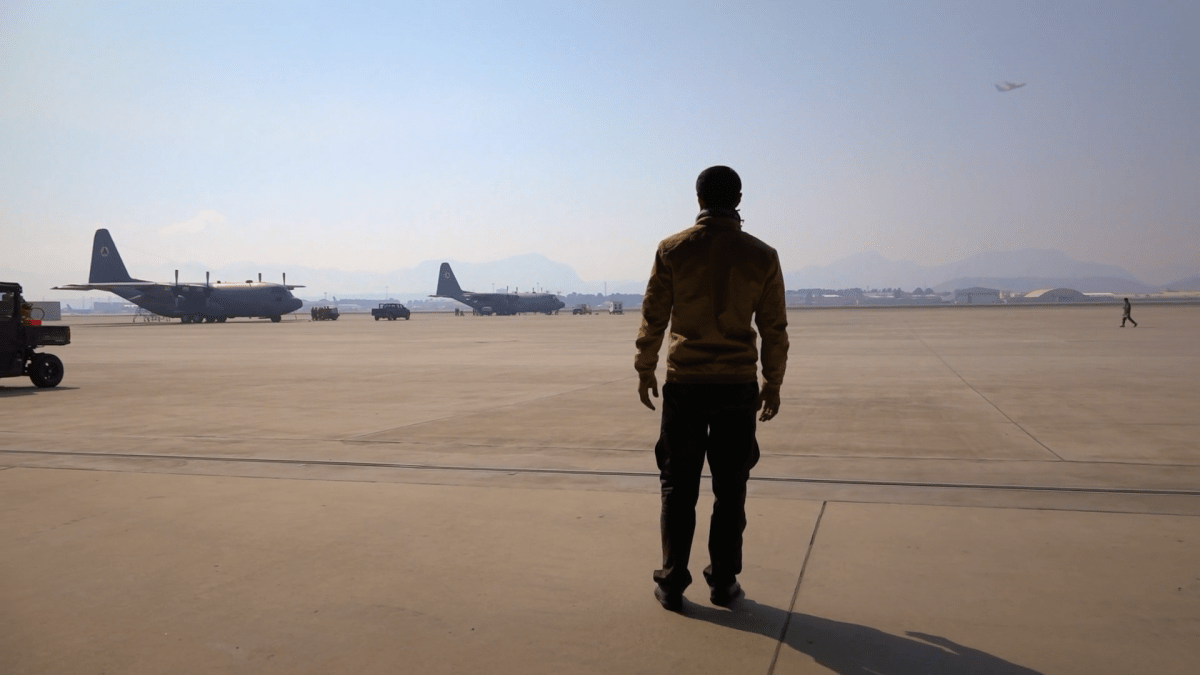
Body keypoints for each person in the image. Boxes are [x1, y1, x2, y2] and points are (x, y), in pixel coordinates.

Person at [635, 166, 789, 611]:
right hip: (737, 387)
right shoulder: (762, 255)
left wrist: (645, 368)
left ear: (698, 199)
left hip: (685, 385)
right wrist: (772, 382)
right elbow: (774, 328)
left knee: (677, 487)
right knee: (731, 487)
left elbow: (653, 317)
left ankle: (671, 582)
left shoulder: (673, 251)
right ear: (739, 199)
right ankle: (723, 581)